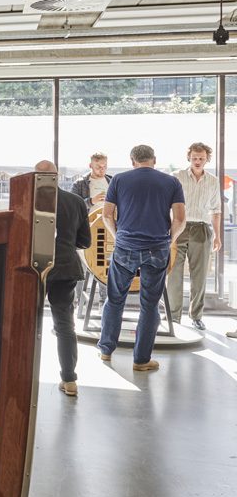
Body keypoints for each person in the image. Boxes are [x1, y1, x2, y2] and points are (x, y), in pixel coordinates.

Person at [98, 145, 186, 371]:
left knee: (115, 299)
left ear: (132, 161)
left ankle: (106, 350)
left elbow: (106, 215)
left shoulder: (119, 180)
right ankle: (141, 360)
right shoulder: (171, 182)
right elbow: (180, 219)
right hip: (157, 248)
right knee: (149, 304)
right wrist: (169, 240)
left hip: (125, 247)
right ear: (154, 160)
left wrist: (118, 237)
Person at [35, 160, 92, 396]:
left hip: (32, 269)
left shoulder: (27, 201)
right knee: (65, 325)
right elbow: (85, 241)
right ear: (57, 176)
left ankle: (23, 376)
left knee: (26, 324)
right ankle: (69, 380)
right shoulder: (75, 201)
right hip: (65, 267)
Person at [167, 142, 222, 331]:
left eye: (201, 158)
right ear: (189, 158)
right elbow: (166, 204)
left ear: (207, 159)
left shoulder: (213, 181)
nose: (197, 161)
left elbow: (216, 210)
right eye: (194, 158)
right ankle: (173, 316)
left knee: (199, 275)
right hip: (178, 227)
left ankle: (196, 316)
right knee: (174, 273)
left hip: (202, 228)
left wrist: (217, 236)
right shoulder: (177, 177)